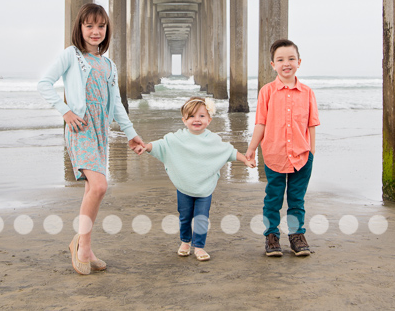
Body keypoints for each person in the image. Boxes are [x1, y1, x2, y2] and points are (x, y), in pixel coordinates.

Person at [38, 3, 146, 275]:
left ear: (107, 29)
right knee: (99, 186)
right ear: (80, 28)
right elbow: (44, 84)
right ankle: (83, 247)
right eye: (90, 26)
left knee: (91, 190)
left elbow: (117, 104)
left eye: (101, 26)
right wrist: (66, 112)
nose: (95, 31)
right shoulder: (71, 56)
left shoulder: (109, 64)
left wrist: (131, 134)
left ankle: (83, 244)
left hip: (101, 130)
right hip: (80, 128)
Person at [136, 97, 256, 261]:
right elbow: (161, 145)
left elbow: (228, 151)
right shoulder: (176, 138)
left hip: (204, 188)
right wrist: (146, 147)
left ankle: (199, 246)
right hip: (184, 186)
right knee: (184, 216)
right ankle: (185, 242)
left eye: (201, 116)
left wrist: (245, 160)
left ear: (209, 119)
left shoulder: (213, 140)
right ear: (184, 120)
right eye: (191, 116)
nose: (196, 120)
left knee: (201, 217)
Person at [245, 39, 320, 257]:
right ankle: (271, 236)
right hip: (274, 155)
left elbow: (312, 125)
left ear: (299, 62)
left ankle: (297, 236)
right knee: (273, 199)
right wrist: (251, 149)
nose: (286, 63)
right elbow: (261, 123)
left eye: (290, 59)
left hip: (302, 156)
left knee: (297, 200)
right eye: (280, 60)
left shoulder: (307, 92)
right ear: (273, 64)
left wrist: (312, 153)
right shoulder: (267, 92)